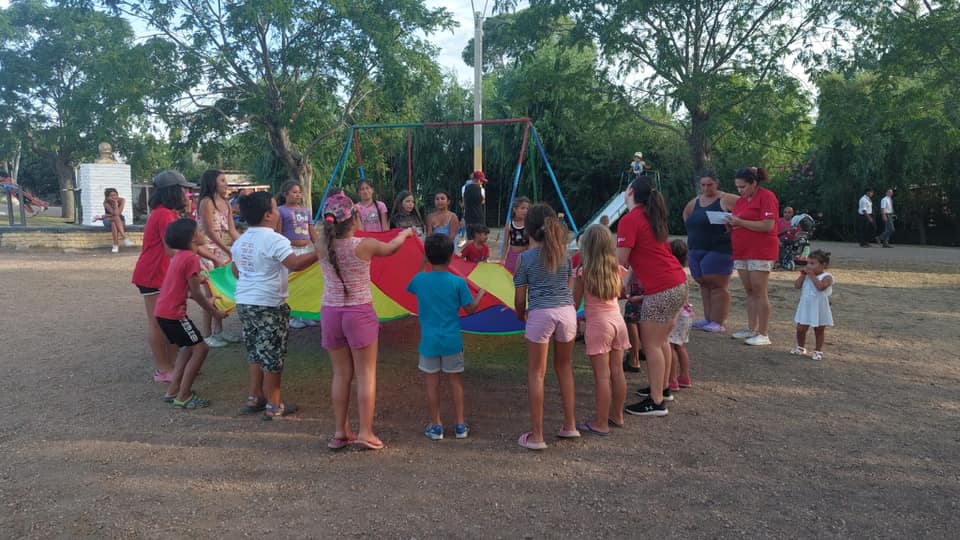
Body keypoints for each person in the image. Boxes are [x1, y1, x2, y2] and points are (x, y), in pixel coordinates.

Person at [316, 193, 415, 450]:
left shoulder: (321, 245)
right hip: (358, 313)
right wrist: (405, 234)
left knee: (340, 374)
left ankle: (340, 431)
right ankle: (365, 432)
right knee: (366, 374)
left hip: (330, 313)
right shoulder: (365, 245)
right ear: (354, 219)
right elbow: (392, 248)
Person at [231, 192, 318, 420]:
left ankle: (255, 397)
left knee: (255, 350)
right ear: (268, 215)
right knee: (272, 354)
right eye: (275, 208)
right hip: (268, 304)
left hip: (245, 302)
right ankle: (274, 405)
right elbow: (295, 264)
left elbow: (236, 270)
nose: (278, 211)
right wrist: (320, 252)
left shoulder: (241, 240)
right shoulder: (275, 240)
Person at [617, 175, 688, 417]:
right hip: (676, 283)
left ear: (631, 192)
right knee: (662, 341)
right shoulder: (652, 217)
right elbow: (640, 258)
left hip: (663, 288)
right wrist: (627, 284)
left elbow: (621, 259)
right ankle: (663, 388)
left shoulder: (630, 219)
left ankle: (656, 401)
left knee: (652, 345)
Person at [407, 234, 486, 440]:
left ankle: (436, 426)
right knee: (455, 381)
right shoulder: (458, 282)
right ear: (451, 256)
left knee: (432, 384)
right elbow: (470, 309)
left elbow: (412, 284)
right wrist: (480, 295)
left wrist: (423, 263)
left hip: (429, 343)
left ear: (427, 255)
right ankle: (460, 425)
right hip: (452, 341)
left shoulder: (420, 280)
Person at [514, 203, 579, 450]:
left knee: (536, 374)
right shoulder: (564, 256)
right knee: (565, 367)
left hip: (541, 313)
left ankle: (538, 436)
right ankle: (570, 426)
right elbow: (569, 286)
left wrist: (521, 314)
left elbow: (520, 297)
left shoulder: (524, 259)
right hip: (567, 313)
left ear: (528, 230)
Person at [154, 218, 228, 409]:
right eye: (199, 231)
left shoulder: (180, 256)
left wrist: (202, 287)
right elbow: (195, 293)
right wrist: (214, 312)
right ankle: (183, 396)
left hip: (164, 312)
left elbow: (180, 288)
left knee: (187, 348)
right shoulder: (191, 258)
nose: (203, 233)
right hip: (174, 315)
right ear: (193, 238)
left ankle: (173, 391)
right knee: (201, 348)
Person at [132, 171, 196, 383]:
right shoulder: (164, 215)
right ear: (173, 191)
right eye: (184, 189)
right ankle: (164, 368)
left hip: (162, 273)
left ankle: (173, 365)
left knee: (168, 321)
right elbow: (172, 249)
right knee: (158, 323)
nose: (186, 193)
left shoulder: (166, 213)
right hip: (154, 274)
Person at [572, 224, 629, 436]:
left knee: (602, 377)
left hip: (599, 326)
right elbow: (621, 293)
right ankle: (617, 415)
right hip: (618, 323)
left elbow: (574, 303)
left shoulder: (583, 272)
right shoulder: (617, 269)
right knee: (617, 372)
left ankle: (601, 423)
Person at [682, 171, 738, 333]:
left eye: (710, 185)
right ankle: (708, 318)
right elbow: (686, 214)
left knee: (718, 285)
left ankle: (718, 321)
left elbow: (746, 210)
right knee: (704, 284)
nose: (706, 188)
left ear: (716, 183)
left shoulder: (726, 199)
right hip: (696, 247)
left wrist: (734, 224)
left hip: (719, 248)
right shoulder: (695, 201)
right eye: (703, 185)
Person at [729, 166, 779, 346]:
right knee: (749, 290)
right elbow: (739, 221)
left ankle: (764, 333)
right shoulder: (741, 201)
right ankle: (751, 328)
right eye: (737, 187)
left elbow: (768, 225)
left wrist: (740, 222)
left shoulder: (767, 197)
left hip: (761, 250)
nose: (739, 190)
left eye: (742, 187)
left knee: (759, 290)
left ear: (754, 183)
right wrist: (730, 223)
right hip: (742, 250)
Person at [196, 169, 241, 346]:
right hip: (206, 250)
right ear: (213, 182)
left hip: (220, 250)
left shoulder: (226, 203)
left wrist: (242, 245)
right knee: (210, 292)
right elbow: (208, 231)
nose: (226, 183)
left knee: (219, 291)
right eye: (222, 180)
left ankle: (219, 331)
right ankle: (207, 334)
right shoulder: (206, 202)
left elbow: (232, 229)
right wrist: (227, 250)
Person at [276, 180, 319, 330]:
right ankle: (292, 316)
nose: (298, 195)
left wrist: (319, 247)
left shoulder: (305, 211)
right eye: (294, 192)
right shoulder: (280, 211)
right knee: (290, 282)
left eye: (299, 192)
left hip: (306, 250)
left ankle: (305, 314)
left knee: (305, 282)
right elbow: (278, 233)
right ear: (285, 194)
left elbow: (312, 232)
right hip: (289, 251)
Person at [790, 250, 834, 361]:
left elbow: (821, 287)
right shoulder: (807, 276)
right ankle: (800, 347)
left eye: (812, 263)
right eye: (808, 263)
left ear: (823, 265)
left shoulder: (827, 277)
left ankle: (818, 350)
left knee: (819, 329)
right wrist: (802, 276)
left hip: (819, 306)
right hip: (806, 306)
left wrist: (812, 275)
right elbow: (797, 286)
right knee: (800, 328)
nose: (809, 266)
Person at [667, 240, 694, 391]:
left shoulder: (671, 273)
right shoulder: (682, 273)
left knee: (669, 346)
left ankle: (671, 379)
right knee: (681, 346)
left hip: (676, 315)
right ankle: (684, 376)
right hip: (686, 314)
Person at [500, 196, 531, 273]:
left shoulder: (529, 224)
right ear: (515, 209)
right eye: (522, 208)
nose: (525, 211)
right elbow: (506, 243)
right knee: (510, 275)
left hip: (525, 256)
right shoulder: (509, 224)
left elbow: (532, 243)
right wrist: (502, 258)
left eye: (527, 208)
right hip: (512, 256)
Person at [102, 188, 133, 253]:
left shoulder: (122, 200)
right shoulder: (106, 203)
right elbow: (115, 213)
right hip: (108, 220)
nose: (114, 197)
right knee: (115, 219)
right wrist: (115, 205)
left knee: (114, 222)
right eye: (111, 195)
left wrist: (116, 204)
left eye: (115, 195)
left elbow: (117, 213)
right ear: (107, 197)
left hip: (119, 221)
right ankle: (124, 237)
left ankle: (115, 245)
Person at [461, 170, 487, 240]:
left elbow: (464, 202)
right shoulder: (481, 189)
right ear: (477, 180)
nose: (482, 183)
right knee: (479, 238)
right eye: (481, 181)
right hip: (478, 216)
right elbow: (482, 201)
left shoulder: (465, 188)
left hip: (468, 216)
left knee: (470, 238)